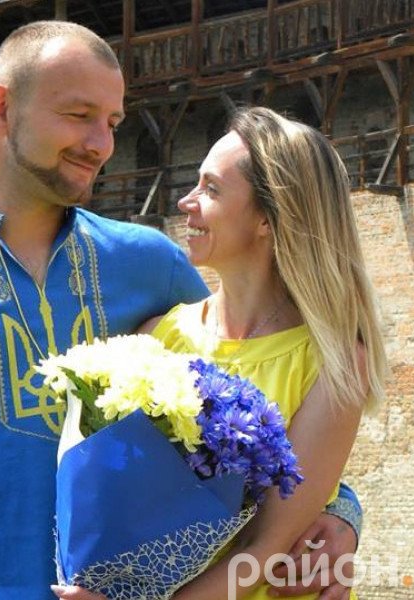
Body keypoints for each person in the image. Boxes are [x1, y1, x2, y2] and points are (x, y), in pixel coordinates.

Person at [0, 21, 361, 600]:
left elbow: (255, 421)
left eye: (112, 123)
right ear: (1, 108)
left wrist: (341, 514)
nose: (101, 144)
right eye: (79, 115)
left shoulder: (149, 265)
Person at [147, 107, 386, 599]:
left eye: (212, 189)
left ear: (267, 218)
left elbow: (265, 549)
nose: (186, 201)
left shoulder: (335, 364)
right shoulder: (160, 336)